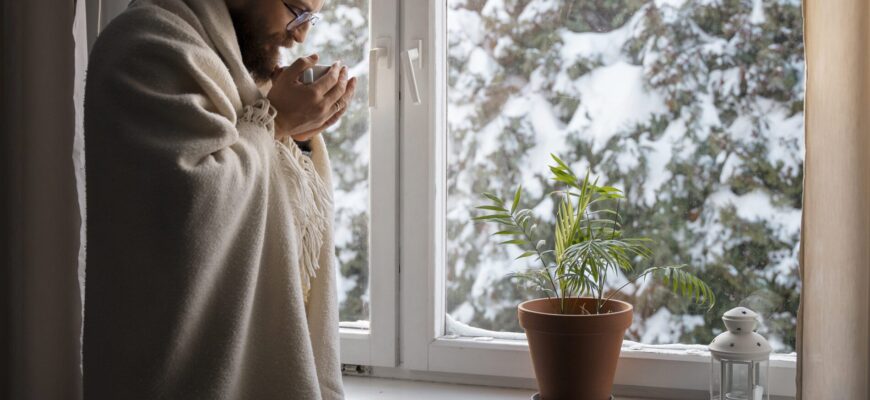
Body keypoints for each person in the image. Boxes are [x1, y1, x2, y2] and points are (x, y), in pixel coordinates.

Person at [82, 0, 353, 398]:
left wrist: (298, 134)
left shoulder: (236, 64)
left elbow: (278, 195)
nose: (301, 34)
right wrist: (275, 121)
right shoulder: (146, 44)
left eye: (310, 18)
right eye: (296, 10)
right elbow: (193, 208)